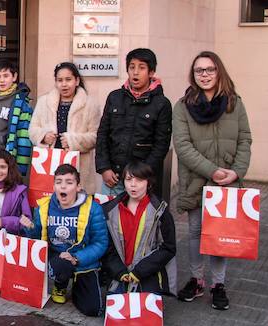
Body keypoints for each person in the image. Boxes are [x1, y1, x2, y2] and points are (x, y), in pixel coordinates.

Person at [173, 51, 251, 310]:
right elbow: (182, 146)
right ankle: (196, 280)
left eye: (209, 69)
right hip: (197, 181)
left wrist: (236, 171)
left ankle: (219, 284)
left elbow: (244, 140)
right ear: (193, 75)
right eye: (199, 70)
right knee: (195, 232)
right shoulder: (183, 106)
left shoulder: (234, 103)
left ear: (219, 72)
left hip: (226, 183)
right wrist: (212, 171)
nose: (204, 74)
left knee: (220, 234)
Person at [23, 164, 108, 317]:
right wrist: (30, 228)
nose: (63, 186)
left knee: (93, 310)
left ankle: (77, 286)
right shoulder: (43, 206)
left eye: (69, 182)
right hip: (57, 258)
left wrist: (77, 258)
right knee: (61, 264)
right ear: (54, 185)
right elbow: (38, 241)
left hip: (82, 260)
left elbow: (100, 243)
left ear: (78, 186)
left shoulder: (93, 209)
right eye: (59, 182)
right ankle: (60, 284)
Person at [95, 48, 172, 197]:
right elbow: (103, 135)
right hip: (113, 178)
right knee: (110, 219)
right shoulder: (114, 97)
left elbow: (161, 145)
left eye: (141, 67)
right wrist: (104, 168)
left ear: (151, 72)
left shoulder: (161, 103)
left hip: (142, 181)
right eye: (132, 67)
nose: (135, 72)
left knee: (140, 219)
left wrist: (141, 174)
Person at [100, 161, 176, 295]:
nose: (133, 185)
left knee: (146, 313)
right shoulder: (110, 210)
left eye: (139, 180)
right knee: (116, 313)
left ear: (149, 182)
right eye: (129, 179)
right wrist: (119, 271)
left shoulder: (160, 210)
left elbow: (168, 248)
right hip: (120, 272)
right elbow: (106, 247)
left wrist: (140, 271)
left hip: (148, 272)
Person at [29, 62, 102, 193]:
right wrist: (43, 136)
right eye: (60, 80)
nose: (64, 84)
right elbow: (32, 129)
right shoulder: (44, 102)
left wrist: (72, 140)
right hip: (49, 164)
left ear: (77, 80)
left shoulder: (90, 104)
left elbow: (96, 136)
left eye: (68, 80)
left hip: (79, 165)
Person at [0, 59, 33, 176]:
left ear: (14, 77)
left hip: (9, 158)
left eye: (6, 76)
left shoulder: (21, 102)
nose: (2, 80)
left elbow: (24, 136)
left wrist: (21, 169)